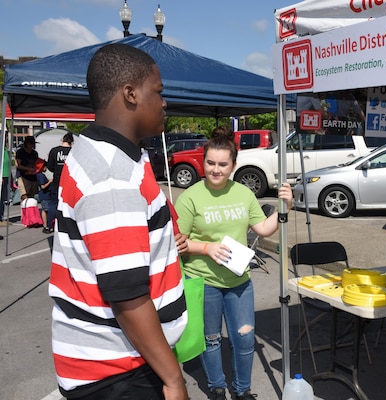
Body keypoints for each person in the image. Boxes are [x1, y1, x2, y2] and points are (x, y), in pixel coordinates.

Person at [48, 43, 188, 400]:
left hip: (117, 364)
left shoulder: (106, 153)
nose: (164, 102)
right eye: (158, 92)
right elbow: (126, 294)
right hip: (119, 373)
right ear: (130, 93)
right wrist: (174, 379)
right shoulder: (112, 175)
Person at [175, 129, 293, 400]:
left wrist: (284, 206)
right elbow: (178, 242)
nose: (216, 170)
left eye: (222, 164)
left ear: (233, 166)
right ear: (203, 162)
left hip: (239, 281)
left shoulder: (243, 193)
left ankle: (242, 391)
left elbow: (263, 228)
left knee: (244, 339)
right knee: (211, 339)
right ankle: (217, 387)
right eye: (210, 163)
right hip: (203, 281)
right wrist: (206, 247)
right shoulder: (190, 197)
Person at [46, 131, 74, 231]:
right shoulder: (74, 151)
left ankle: (49, 225)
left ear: (62, 140)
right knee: (69, 205)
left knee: (53, 203)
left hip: (57, 180)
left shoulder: (54, 151)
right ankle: (67, 227)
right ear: (72, 142)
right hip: (70, 182)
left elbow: (50, 167)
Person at [15, 135, 39, 200]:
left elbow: (36, 163)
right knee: (24, 195)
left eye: (32, 144)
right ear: (26, 144)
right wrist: (29, 169)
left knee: (32, 196)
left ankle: (30, 209)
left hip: (33, 176)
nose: (31, 146)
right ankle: (24, 208)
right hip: (23, 176)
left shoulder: (34, 153)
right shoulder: (20, 152)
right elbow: (18, 165)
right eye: (30, 144)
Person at [36, 160, 54, 233]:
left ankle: (46, 225)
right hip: (44, 195)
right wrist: (49, 182)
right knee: (45, 209)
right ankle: (45, 225)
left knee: (46, 209)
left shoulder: (40, 175)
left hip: (46, 194)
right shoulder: (41, 175)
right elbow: (43, 186)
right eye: (45, 166)